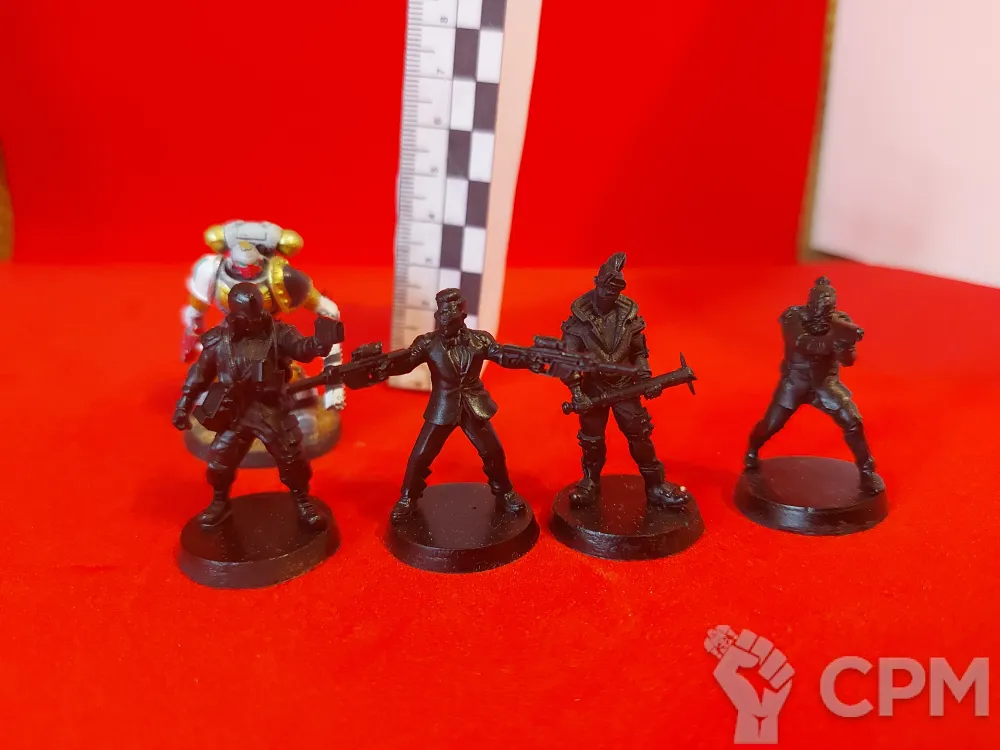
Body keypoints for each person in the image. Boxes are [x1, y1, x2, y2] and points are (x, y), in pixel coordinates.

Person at [172, 282, 343, 527]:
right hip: (234, 411)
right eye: (249, 317)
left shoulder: (278, 333)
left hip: (269, 408)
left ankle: (303, 501)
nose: (256, 320)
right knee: (219, 461)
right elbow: (199, 374)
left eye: (258, 313)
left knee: (292, 459)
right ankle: (219, 502)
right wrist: (184, 404)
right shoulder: (219, 340)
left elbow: (301, 348)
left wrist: (318, 343)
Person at [560, 252, 690, 507]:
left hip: (625, 386)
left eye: (613, 291)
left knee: (640, 436)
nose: (607, 294)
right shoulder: (579, 321)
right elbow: (567, 360)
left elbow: (639, 352)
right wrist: (577, 392)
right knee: (591, 440)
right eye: (604, 287)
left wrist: (645, 376)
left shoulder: (628, 317)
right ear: (596, 282)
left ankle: (655, 485)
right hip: (593, 387)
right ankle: (590, 483)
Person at [743, 276, 884, 494]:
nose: (823, 312)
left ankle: (867, 470)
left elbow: (848, 361)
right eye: (820, 305)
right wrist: (833, 341)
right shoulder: (793, 317)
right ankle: (753, 449)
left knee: (853, 421)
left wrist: (845, 346)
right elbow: (802, 342)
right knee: (771, 425)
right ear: (811, 303)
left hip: (826, 385)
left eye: (828, 307)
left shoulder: (841, 322)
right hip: (794, 384)